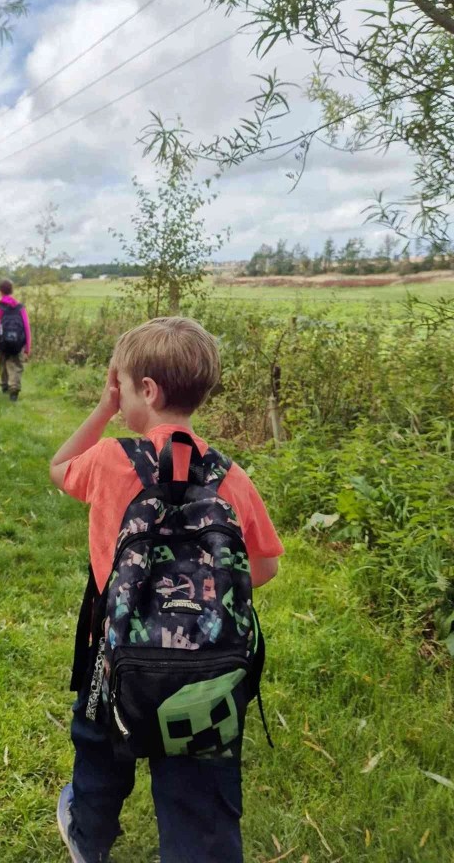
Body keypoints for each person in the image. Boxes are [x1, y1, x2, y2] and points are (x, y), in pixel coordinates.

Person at [49, 317, 284, 863]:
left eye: (125, 387)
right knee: (201, 795)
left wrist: (105, 408)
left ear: (146, 391)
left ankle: (88, 839)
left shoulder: (110, 460)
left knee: (100, 760)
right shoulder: (230, 476)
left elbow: (59, 466)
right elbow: (264, 568)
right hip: (206, 678)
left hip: (116, 665)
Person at [0, 279, 31, 402]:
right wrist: (27, 347)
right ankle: (14, 389)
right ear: (12, 290)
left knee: (3, 363)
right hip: (18, 343)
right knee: (16, 366)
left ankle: (5, 385)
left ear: (0, 291)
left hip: (2, 343)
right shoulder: (20, 307)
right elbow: (26, 327)